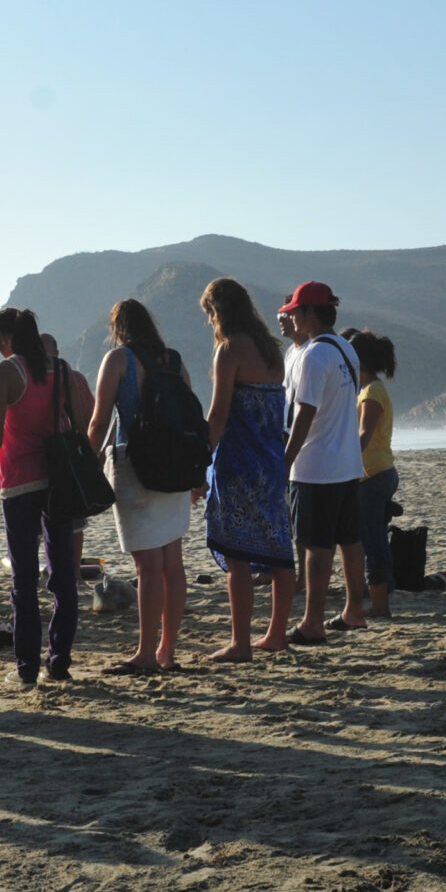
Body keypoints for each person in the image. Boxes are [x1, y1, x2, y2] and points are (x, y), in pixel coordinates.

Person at [0, 307, 92, 687]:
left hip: (19, 484)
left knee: (23, 580)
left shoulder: (6, 372)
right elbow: (75, 424)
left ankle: (26, 668)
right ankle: (59, 662)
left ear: (3, 338)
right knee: (63, 575)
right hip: (58, 482)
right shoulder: (61, 369)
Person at [83, 298, 193, 674]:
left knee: (147, 566)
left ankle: (145, 653)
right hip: (177, 466)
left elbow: (99, 421)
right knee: (172, 562)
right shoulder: (174, 360)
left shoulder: (118, 360)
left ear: (118, 327)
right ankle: (167, 651)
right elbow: (189, 415)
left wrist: (86, 462)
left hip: (135, 463)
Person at [196, 277, 297, 662]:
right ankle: (276, 634)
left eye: (209, 313)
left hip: (238, 462)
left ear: (219, 311)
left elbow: (219, 414)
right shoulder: (272, 350)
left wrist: (199, 462)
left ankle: (240, 643)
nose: (209, 322)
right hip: (271, 461)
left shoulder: (229, 349)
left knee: (237, 554)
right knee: (278, 549)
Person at [275, 281, 368, 643]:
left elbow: (305, 413)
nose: (291, 317)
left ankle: (313, 621)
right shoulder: (345, 347)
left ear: (309, 313)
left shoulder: (314, 355)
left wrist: (286, 460)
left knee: (315, 544)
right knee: (349, 539)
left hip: (316, 464)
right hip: (346, 461)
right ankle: (353, 611)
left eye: (296, 311)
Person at [348, 329, 400, 619]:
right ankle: (377, 597)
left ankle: (380, 605)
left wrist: (346, 463)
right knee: (372, 537)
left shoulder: (372, 392)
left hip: (373, 474)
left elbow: (365, 433)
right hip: (377, 472)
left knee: (372, 541)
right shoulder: (367, 389)